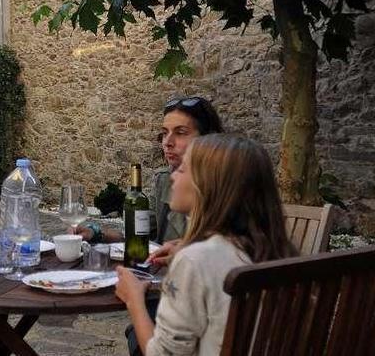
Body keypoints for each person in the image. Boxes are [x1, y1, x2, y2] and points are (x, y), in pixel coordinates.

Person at [115, 134, 297, 355]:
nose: (173, 176)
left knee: (135, 333)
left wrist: (133, 299)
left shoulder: (195, 260)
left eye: (182, 170)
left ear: (207, 187)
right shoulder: (281, 254)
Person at [76, 96, 224, 259]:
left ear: (208, 139)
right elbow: (139, 233)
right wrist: (95, 232)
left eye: (180, 132)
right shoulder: (164, 180)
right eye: (165, 133)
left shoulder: (227, 186)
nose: (167, 142)